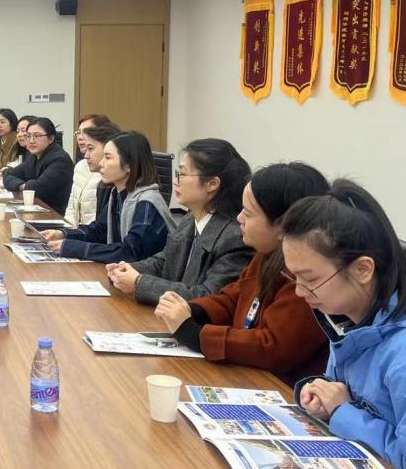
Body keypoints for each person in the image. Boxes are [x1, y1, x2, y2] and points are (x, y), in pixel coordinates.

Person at [282, 181, 406, 469]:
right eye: (293, 276)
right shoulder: (350, 318)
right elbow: (345, 394)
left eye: (310, 279)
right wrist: (321, 395)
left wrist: (343, 413)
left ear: (363, 270)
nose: (299, 292)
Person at [153, 162, 329, 384]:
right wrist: (192, 310)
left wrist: (196, 335)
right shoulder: (265, 254)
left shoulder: (305, 274)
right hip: (249, 377)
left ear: (283, 224)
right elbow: (233, 298)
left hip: (281, 387)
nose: (239, 219)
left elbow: (274, 347)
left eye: (248, 213)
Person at [108, 138, 252, 304]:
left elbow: (206, 297)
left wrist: (138, 282)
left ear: (212, 183)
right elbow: (164, 262)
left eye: (182, 174)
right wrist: (127, 269)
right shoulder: (190, 218)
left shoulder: (235, 237)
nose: (175, 181)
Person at [43, 131, 171, 262]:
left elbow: (130, 252)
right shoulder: (117, 194)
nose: (101, 163)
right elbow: (98, 231)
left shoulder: (147, 203)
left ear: (129, 165)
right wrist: (63, 234)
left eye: (108, 157)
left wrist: (74, 248)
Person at [0, 116, 74, 213]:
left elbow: (37, 189)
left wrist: (24, 186)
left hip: (55, 214)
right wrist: (23, 185)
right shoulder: (33, 156)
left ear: (51, 138)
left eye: (37, 136)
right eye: (28, 136)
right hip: (38, 209)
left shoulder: (60, 160)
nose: (31, 141)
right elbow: (7, 174)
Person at [63, 113, 115, 227]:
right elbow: (71, 208)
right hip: (79, 232)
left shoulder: (110, 174)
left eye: (87, 131)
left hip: (90, 233)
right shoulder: (80, 166)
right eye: (79, 132)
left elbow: (100, 227)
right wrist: (66, 231)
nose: (81, 137)